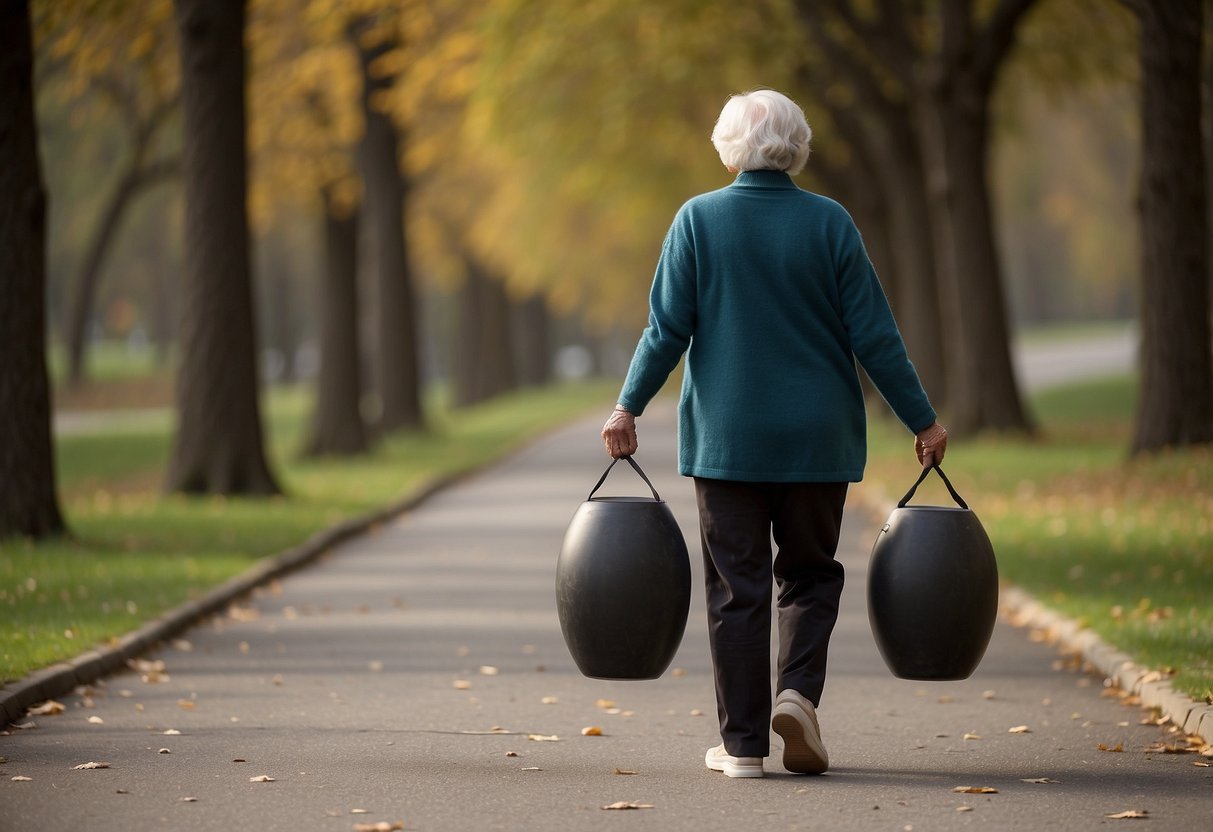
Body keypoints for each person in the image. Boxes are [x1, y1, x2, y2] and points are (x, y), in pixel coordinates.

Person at [600, 89, 949, 779]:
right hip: (816, 440)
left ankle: (742, 748)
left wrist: (626, 407)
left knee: (737, 589)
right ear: (798, 144)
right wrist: (922, 419)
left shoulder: (697, 220)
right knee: (810, 576)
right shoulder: (830, 223)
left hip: (727, 441)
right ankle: (796, 696)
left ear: (729, 145)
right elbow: (873, 335)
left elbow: (666, 329)